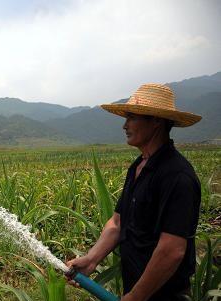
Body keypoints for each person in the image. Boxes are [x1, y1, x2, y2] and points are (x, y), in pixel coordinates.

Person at [67, 83, 202, 301]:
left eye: (132, 117)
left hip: (163, 295)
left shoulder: (177, 176)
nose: (125, 125)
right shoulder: (139, 166)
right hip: (136, 291)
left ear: (156, 121)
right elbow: (118, 223)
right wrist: (91, 260)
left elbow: (172, 250)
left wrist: (136, 297)